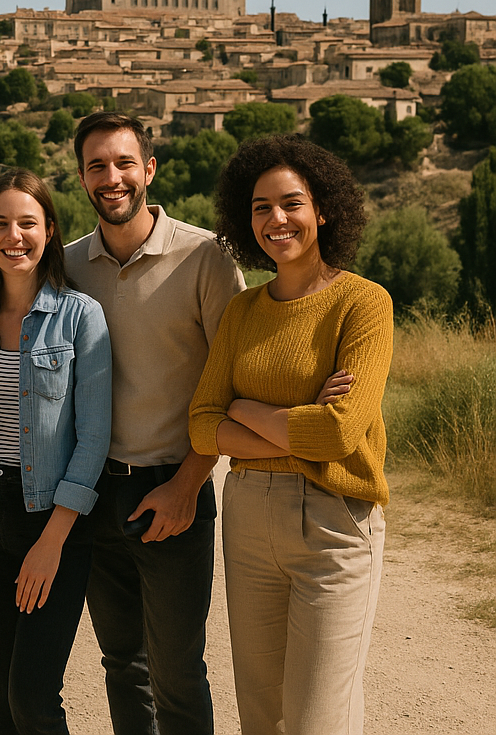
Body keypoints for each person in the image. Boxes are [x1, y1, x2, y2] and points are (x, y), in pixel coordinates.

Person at [189, 134, 392, 735]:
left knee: (317, 723)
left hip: (333, 524)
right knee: (261, 718)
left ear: (322, 209)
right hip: (249, 519)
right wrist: (289, 421)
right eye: (260, 207)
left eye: (291, 203)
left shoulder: (362, 304)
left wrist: (243, 408)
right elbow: (202, 425)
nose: (276, 219)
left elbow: (339, 433)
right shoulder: (243, 311)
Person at [64, 112, 245, 735]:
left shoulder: (206, 258)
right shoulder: (66, 267)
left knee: (177, 671)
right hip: (90, 494)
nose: (110, 178)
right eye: (96, 166)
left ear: (149, 169)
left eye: (122, 164)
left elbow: (232, 386)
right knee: (121, 664)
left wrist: (188, 486)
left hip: (173, 487)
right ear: (82, 177)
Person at [0, 169, 112, 735]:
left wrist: (52, 542)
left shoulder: (82, 316)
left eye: (27, 223)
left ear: (50, 230)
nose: (15, 235)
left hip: (52, 521)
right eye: (1, 223)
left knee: (32, 698)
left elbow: (94, 437)